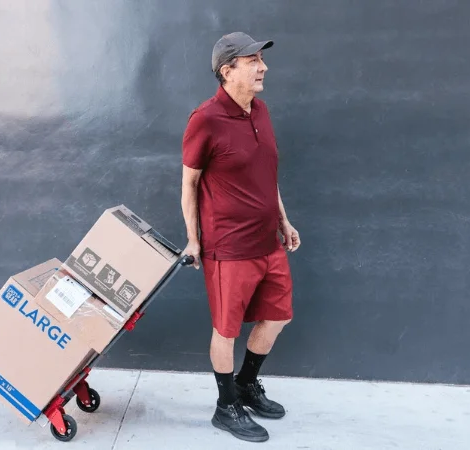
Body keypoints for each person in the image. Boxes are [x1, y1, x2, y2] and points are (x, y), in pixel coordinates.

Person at [180, 31, 301, 443]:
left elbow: (267, 175)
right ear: (227, 71)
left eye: (260, 60)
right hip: (227, 248)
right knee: (226, 330)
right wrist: (194, 240)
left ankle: (246, 385)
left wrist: (283, 220)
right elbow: (189, 185)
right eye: (252, 61)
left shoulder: (260, 111)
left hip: (268, 242)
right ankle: (224, 405)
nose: (263, 66)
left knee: (278, 316)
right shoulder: (205, 119)